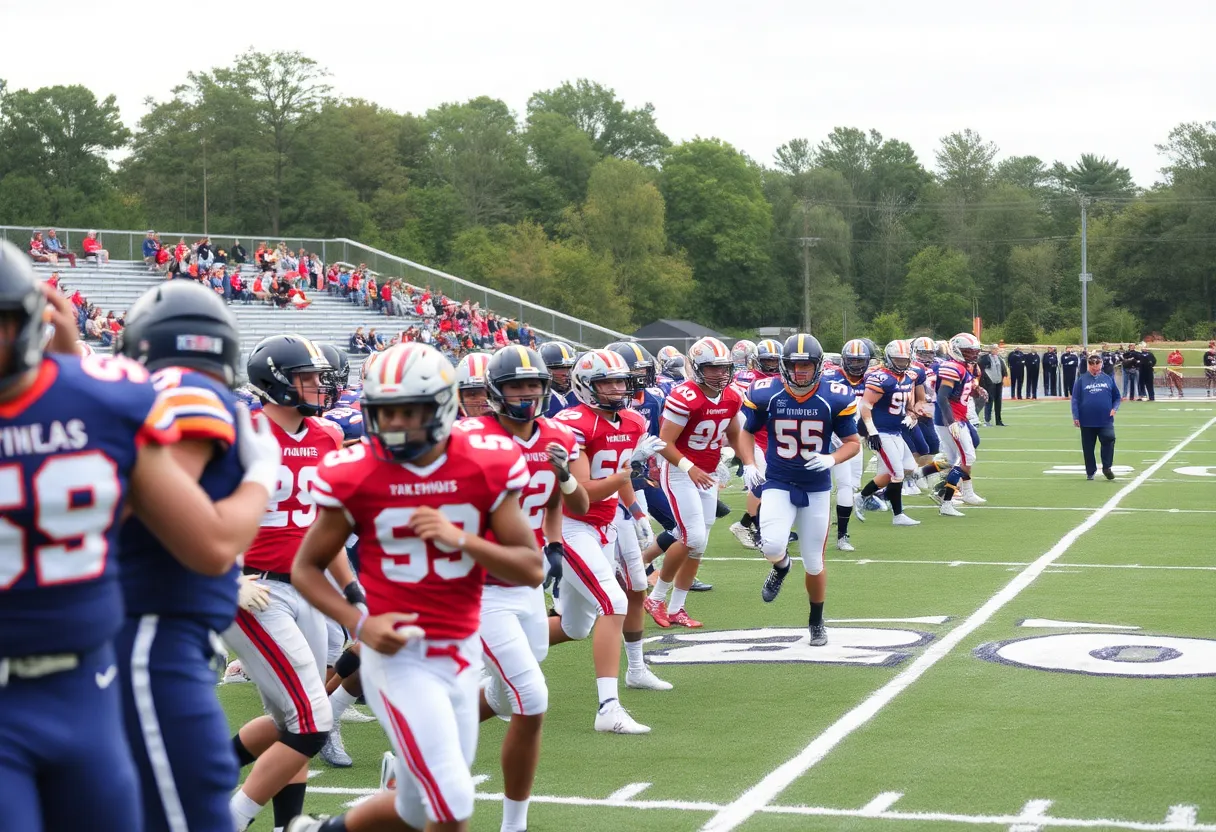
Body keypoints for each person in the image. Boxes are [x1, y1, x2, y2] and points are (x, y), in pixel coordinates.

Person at [0, 240, 282, 832]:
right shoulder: (154, 391)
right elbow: (201, 540)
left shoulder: (101, 394)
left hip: (90, 669)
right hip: (124, 647)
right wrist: (261, 473)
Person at [288, 342, 543, 832]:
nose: (398, 423)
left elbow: (529, 569)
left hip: (462, 648)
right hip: (398, 656)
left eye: (411, 411)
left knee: (417, 808)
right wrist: (358, 621)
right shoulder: (356, 470)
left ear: (442, 408)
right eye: (387, 412)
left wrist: (461, 539)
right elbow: (307, 567)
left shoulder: (485, 461)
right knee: (452, 802)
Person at [114, 280, 283, 832]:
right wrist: (260, 477)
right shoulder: (189, 390)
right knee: (191, 804)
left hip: (137, 625)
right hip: (152, 635)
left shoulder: (132, 392)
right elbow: (207, 544)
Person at [222, 335, 355, 832]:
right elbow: (211, 510)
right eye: (306, 378)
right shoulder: (242, 434)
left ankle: (278, 822)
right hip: (256, 589)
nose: (319, 387)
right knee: (311, 719)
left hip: (309, 586)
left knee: (290, 723)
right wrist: (227, 575)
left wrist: (351, 588)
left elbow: (329, 525)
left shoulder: (326, 437)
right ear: (274, 382)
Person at [471, 345, 598, 831]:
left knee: (503, 698)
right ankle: (514, 824)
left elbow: (578, 502)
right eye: (516, 386)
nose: (527, 394)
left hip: (525, 585)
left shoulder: (558, 435)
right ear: (495, 393)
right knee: (530, 695)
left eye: (534, 385)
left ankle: (414, 756)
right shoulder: (470, 438)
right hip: (477, 586)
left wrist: (563, 479)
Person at [551, 349, 661, 734]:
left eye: (620, 381)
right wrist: (629, 471)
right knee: (613, 601)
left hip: (605, 527)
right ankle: (608, 708)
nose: (617, 389)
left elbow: (619, 480)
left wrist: (635, 512)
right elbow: (582, 492)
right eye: (606, 382)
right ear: (585, 386)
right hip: (570, 525)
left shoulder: (630, 420)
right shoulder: (572, 424)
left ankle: (489, 658)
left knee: (574, 626)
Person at [736, 333, 861, 645]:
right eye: (795, 365)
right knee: (771, 546)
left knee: (815, 561)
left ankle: (816, 620)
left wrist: (831, 458)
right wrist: (750, 462)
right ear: (783, 365)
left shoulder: (835, 395)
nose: (801, 372)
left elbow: (853, 444)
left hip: (817, 486)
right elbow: (745, 431)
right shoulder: (766, 392)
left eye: (806, 365)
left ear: (818, 366)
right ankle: (781, 566)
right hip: (778, 480)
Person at [645, 337, 744, 629]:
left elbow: (736, 432)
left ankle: (677, 608)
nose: (719, 373)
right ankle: (655, 598)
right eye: (712, 368)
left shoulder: (731, 396)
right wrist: (690, 467)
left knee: (696, 545)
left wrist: (747, 462)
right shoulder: (683, 396)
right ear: (698, 368)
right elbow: (664, 443)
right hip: (679, 471)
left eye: (723, 367)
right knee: (693, 537)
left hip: (708, 472)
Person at [1072, 354, 1121, 480]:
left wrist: (1114, 409)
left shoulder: (1108, 379)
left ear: (1101, 365)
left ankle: (1107, 467)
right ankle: (1090, 471)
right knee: (1088, 447)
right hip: (1087, 420)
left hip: (1105, 419)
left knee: (1109, 439)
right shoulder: (1081, 380)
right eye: (1092, 366)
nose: (1095, 368)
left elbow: (1117, 397)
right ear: (1089, 365)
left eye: (1097, 366)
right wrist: (1076, 416)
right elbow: (1075, 399)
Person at [977, 344, 1007, 426]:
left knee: (998, 402)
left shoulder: (1000, 358)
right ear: (991, 349)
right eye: (994, 349)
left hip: (998, 382)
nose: (996, 350)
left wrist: (1002, 379)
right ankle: (987, 421)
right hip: (989, 383)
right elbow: (980, 367)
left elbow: (1003, 370)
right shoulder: (985, 358)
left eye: (997, 349)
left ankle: (998, 420)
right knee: (989, 401)